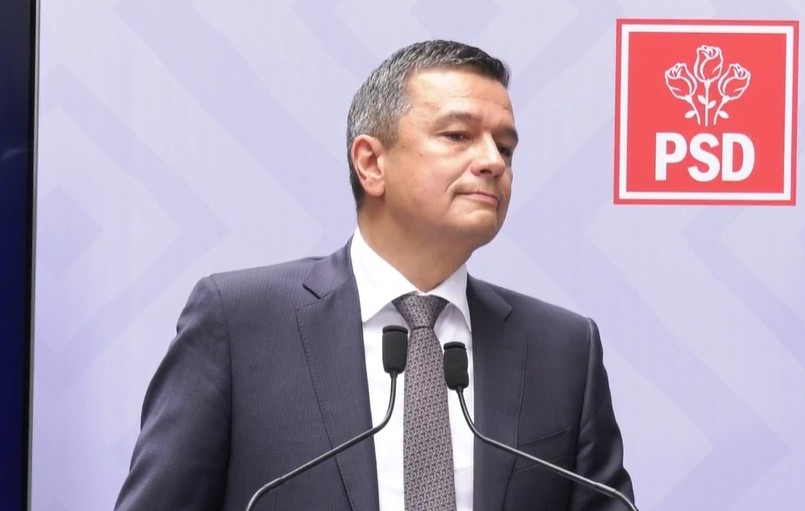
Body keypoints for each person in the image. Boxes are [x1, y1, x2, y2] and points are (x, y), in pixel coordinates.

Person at [115, 40, 634, 511]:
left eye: (505, 147)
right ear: (371, 164)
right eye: (458, 135)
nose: (492, 162)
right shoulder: (240, 322)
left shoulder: (562, 349)